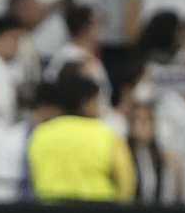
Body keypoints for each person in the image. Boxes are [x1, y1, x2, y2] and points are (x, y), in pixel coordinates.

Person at [26, 72, 135, 202]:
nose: (100, 108)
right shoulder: (107, 134)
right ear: (86, 103)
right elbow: (126, 181)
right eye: (96, 102)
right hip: (99, 210)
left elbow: (33, 177)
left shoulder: (40, 133)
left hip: (50, 210)